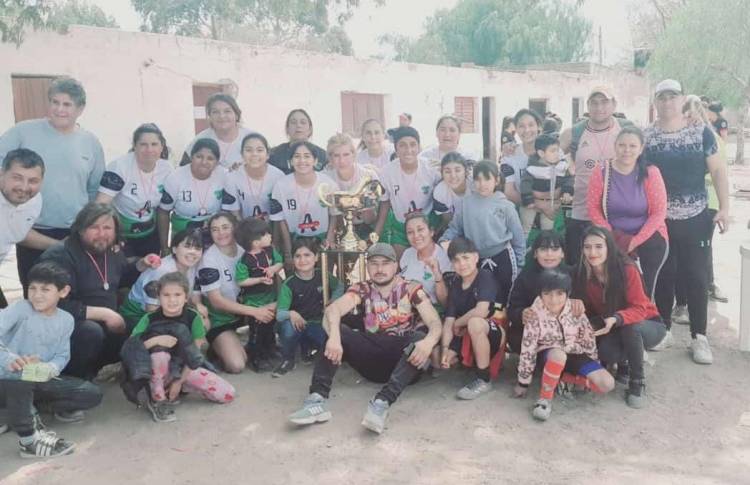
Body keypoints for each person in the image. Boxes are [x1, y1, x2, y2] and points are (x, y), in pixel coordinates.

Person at [287, 243, 442, 434]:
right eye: (374, 263)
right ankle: (316, 399)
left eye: (385, 263)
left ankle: (381, 402)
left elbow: (435, 322)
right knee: (337, 328)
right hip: (370, 358)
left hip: (403, 362)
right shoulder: (362, 289)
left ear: (395, 266)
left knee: (419, 337)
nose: (379, 269)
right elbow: (333, 309)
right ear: (367, 267)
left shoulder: (411, 289)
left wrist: (427, 343)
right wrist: (334, 338)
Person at [644, 79, 730, 364]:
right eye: (662, 97)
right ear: (655, 102)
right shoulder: (647, 137)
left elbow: (718, 171)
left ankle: (699, 337)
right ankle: (664, 329)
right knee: (664, 276)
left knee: (696, 277)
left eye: (672, 96)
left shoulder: (701, 132)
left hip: (696, 217)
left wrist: (725, 207)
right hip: (659, 220)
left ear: (682, 100)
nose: (667, 102)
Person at [0, 77, 105, 294]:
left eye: (67, 104)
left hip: (74, 233)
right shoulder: (22, 132)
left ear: (80, 109)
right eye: (54, 102)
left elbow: (94, 190)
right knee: (36, 296)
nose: (59, 109)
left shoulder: (90, 142)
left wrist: (89, 230)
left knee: (72, 294)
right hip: (29, 232)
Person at [40, 203, 161, 383]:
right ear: (80, 229)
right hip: (67, 326)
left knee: (142, 325)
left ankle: (94, 370)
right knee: (91, 331)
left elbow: (118, 278)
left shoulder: (108, 250)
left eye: (107, 228)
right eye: (94, 227)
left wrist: (141, 265)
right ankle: (70, 380)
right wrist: (104, 314)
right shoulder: (60, 256)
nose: (102, 233)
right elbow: (48, 304)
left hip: (106, 321)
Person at [0, 262, 102, 458]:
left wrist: (50, 368)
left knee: (91, 394)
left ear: (63, 292)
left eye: (45, 289)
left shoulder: (66, 320)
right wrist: (10, 360)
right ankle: (29, 441)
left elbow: (62, 355)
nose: (37, 295)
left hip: (38, 379)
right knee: (20, 382)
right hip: (7, 379)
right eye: (33, 288)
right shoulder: (20, 309)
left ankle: (20, 412)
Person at [573, 226, 667, 408]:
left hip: (648, 324)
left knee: (630, 328)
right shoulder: (583, 273)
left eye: (599, 246)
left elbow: (640, 308)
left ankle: (637, 382)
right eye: (587, 247)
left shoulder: (627, 269)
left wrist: (617, 318)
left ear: (609, 246)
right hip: (613, 326)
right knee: (606, 352)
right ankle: (623, 362)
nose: (593, 252)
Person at [124, 272, 235, 423]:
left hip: (183, 369)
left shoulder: (193, 317)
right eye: (166, 295)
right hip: (155, 371)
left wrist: (179, 382)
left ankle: (179, 388)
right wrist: (156, 340)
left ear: (185, 297)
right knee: (160, 356)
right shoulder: (149, 318)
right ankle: (157, 399)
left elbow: (195, 351)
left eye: (177, 294)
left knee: (227, 394)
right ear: (159, 297)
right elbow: (131, 346)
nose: (172, 300)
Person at [513, 269, 614, 421]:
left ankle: (566, 379)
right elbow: (528, 349)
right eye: (548, 294)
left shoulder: (575, 310)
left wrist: (592, 364)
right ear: (540, 294)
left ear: (568, 294)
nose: (554, 300)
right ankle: (545, 400)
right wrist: (523, 382)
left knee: (607, 384)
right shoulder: (534, 314)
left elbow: (588, 339)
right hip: (549, 355)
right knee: (558, 354)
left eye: (559, 293)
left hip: (574, 352)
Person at [586, 126, 668, 310]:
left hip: (648, 236)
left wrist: (635, 241)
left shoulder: (650, 172)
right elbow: (593, 207)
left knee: (644, 285)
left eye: (632, 146)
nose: (627, 150)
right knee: (615, 283)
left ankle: (645, 318)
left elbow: (659, 212)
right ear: (615, 146)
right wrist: (610, 236)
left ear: (641, 148)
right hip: (613, 234)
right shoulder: (601, 171)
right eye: (622, 145)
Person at [558, 86, 632, 266]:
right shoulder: (574, 133)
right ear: (588, 106)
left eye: (604, 102)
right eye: (594, 103)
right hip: (581, 212)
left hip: (617, 214)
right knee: (579, 267)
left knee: (616, 268)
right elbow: (549, 156)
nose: (599, 107)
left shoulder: (626, 129)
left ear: (614, 104)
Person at [198, 212, 274, 373]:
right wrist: (255, 312)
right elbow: (216, 301)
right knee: (236, 365)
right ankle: (219, 346)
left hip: (246, 313)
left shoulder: (246, 250)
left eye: (225, 227)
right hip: (222, 320)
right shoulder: (208, 260)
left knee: (278, 311)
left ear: (235, 228)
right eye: (215, 230)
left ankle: (250, 340)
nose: (221, 233)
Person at [441, 161, 525, 306]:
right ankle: (481, 324)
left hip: (502, 258)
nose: (482, 184)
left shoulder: (506, 206)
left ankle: (501, 324)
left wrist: (520, 263)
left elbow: (518, 237)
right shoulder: (466, 204)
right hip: (475, 259)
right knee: (480, 297)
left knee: (504, 296)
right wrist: (445, 239)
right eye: (478, 179)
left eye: (487, 179)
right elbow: (455, 228)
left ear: (496, 180)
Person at [96, 123, 173, 258]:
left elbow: (164, 210)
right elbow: (100, 205)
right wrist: (112, 236)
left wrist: (164, 246)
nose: (149, 149)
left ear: (162, 146)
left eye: (154, 144)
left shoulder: (166, 169)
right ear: (135, 146)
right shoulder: (119, 167)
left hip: (150, 232)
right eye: (143, 144)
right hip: (122, 235)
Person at [440, 237, 503, 400]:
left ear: (476, 257)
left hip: (493, 330)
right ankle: (465, 363)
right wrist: (445, 349)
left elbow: (481, 311)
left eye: (466, 258)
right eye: (456, 260)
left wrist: (458, 323)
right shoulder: (455, 284)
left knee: (474, 323)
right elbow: (448, 322)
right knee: (446, 359)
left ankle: (484, 379)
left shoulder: (485, 276)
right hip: (465, 334)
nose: (462, 264)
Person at [682, 96, 728, 304]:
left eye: (692, 114)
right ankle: (685, 299)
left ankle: (705, 287)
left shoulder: (711, 138)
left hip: (708, 204)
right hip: (682, 206)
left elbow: (720, 172)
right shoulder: (676, 136)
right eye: (685, 115)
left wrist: (723, 206)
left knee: (702, 248)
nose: (689, 119)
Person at [274, 237, 342, 377]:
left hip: (317, 323)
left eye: (307, 255)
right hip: (298, 324)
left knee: (328, 337)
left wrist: (332, 301)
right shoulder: (289, 284)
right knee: (287, 329)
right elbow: (279, 314)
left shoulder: (322, 275)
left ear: (316, 257)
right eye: (297, 256)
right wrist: (292, 313)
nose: (302, 260)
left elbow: (340, 286)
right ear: (292, 259)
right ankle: (288, 359)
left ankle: (307, 351)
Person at [119, 229, 207, 332]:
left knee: (204, 323)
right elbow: (151, 310)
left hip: (171, 309)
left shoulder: (192, 265)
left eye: (197, 248)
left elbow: (194, 294)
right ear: (174, 249)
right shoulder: (161, 271)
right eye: (187, 246)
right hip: (138, 315)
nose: (192, 252)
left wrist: (198, 306)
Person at [374, 126, 441, 259]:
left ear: (419, 147)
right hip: (401, 227)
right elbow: (385, 202)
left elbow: (442, 197)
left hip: (427, 224)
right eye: (402, 145)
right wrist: (376, 233)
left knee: (428, 266)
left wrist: (439, 228)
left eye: (413, 145)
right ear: (396, 148)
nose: (408, 150)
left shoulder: (431, 169)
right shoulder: (387, 172)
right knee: (402, 267)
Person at [506, 231, 578, 354]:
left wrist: (578, 303)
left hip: (565, 332)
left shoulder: (572, 275)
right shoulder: (525, 276)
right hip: (532, 334)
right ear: (535, 253)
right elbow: (512, 309)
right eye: (544, 249)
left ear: (562, 253)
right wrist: (522, 313)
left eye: (555, 249)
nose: (549, 254)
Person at [269, 141, 336, 272]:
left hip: (321, 240)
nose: (302, 160)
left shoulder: (327, 183)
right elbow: (280, 220)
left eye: (307, 156)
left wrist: (329, 238)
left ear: (315, 160)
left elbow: (334, 214)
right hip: (294, 240)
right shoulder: (281, 185)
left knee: (323, 280)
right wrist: (288, 251)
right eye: (297, 156)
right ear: (291, 161)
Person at [158, 138, 235, 252]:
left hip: (213, 235)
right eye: (199, 156)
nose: (204, 162)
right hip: (182, 235)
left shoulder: (224, 175)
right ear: (191, 157)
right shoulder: (175, 178)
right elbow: (163, 212)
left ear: (217, 162)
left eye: (210, 158)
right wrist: (165, 247)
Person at [234, 218, 283, 372]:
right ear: (255, 242)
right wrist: (258, 279)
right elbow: (241, 281)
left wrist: (273, 269)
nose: (270, 236)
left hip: (271, 296)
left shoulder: (269, 251)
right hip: (254, 301)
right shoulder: (245, 260)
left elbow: (280, 262)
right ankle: (256, 356)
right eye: (266, 234)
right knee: (257, 329)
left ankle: (270, 349)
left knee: (270, 325)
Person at [0, 149, 44, 308]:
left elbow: (17, 234)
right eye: (17, 178)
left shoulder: (34, 201)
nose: (24, 187)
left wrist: (59, 245)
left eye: (33, 181)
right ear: (1, 174)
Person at [326, 133, 380, 240]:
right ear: (330, 158)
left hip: (367, 226)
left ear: (354, 155)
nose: (342, 161)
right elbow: (332, 214)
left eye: (346, 154)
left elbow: (371, 218)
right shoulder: (326, 178)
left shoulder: (368, 176)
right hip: (338, 226)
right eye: (336, 155)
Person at [181, 93, 254, 169]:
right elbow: (183, 170)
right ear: (210, 117)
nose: (221, 116)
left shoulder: (252, 139)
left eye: (227, 111)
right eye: (215, 112)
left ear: (237, 115)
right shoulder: (201, 140)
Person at [518, 133, 573, 236]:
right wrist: (528, 199)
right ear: (541, 153)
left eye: (557, 150)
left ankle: (546, 245)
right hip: (531, 204)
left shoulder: (561, 166)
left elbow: (568, 179)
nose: (556, 153)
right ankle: (522, 249)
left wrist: (567, 191)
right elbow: (525, 184)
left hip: (551, 203)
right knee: (525, 229)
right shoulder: (533, 168)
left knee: (548, 230)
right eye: (552, 151)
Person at [224, 133, 284, 221]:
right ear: (242, 154)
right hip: (244, 228)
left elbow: (281, 214)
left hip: (273, 227)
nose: (254, 154)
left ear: (267, 154)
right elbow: (235, 214)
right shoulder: (232, 177)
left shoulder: (278, 176)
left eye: (259, 150)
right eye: (248, 150)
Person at [399, 212, 451, 309]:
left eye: (420, 229)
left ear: (431, 232)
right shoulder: (407, 254)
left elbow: (446, 303)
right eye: (410, 232)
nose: (416, 235)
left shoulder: (444, 257)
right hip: (406, 309)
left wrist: (437, 274)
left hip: (433, 311)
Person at [501, 109, 542, 205]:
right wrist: (540, 206)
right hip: (523, 209)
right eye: (521, 126)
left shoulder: (551, 151)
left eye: (531, 125)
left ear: (538, 126)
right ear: (515, 128)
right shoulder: (508, 157)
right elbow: (509, 192)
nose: (527, 130)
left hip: (552, 212)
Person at [268, 109, 327, 174]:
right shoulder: (274, 155)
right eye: (293, 122)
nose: (298, 125)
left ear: (310, 129)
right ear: (287, 129)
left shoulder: (323, 156)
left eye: (303, 122)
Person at [432, 152, 471, 233]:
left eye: (457, 170)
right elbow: (449, 221)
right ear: (442, 174)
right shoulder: (440, 192)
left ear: (466, 172)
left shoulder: (475, 185)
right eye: (447, 171)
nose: (453, 176)